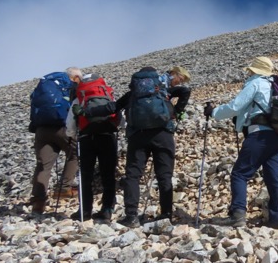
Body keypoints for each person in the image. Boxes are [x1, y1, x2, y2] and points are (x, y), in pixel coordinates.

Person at [204, 56, 278, 229]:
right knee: (274, 178)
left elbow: (235, 106)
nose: (248, 73)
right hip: (277, 138)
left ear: (255, 71)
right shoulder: (276, 87)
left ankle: (237, 215)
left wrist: (213, 112)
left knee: (240, 174)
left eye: (250, 70)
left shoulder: (256, 83)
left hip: (258, 136)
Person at [115, 66, 192, 227]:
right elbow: (185, 91)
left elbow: (113, 107)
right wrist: (177, 111)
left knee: (133, 175)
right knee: (164, 175)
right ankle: (166, 215)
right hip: (163, 135)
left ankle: (131, 216)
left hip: (138, 136)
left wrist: (88, 112)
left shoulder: (134, 94)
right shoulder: (162, 90)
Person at [65, 73, 120, 222]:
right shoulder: (108, 94)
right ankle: (107, 209)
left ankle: (85, 210)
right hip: (107, 136)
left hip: (86, 138)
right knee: (108, 175)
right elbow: (119, 116)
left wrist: (72, 135)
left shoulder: (80, 97)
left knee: (85, 175)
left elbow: (70, 122)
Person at [29, 67, 83, 214]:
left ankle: (38, 203)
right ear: (75, 77)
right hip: (62, 127)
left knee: (43, 165)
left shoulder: (46, 85)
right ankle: (64, 189)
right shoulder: (70, 86)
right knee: (75, 154)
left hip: (41, 130)